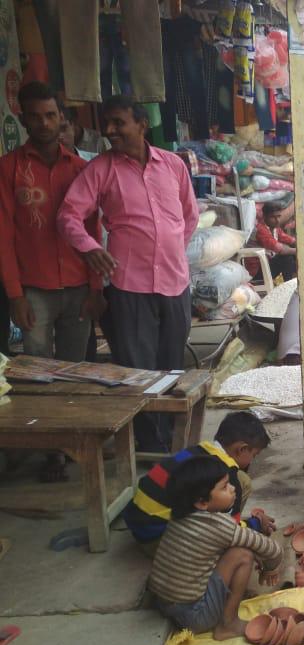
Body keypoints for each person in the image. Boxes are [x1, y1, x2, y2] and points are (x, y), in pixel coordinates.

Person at [57, 94, 199, 454]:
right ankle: (150, 445)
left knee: (169, 368)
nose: (109, 130)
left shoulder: (172, 165)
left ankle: (168, 440)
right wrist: (90, 248)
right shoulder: (101, 169)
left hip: (174, 283)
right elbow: (68, 216)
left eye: (118, 122)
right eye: (108, 123)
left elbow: (189, 216)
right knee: (138, 370)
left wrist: (169, 250)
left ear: (141, 124)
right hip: (129, 286)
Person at [0, 82, 105, 482]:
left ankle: (71, 443)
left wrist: (96, 289)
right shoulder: (8, 169)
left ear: (62, 117)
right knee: (38, 370)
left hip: (78, 285)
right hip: (35, 290)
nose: (44, 123)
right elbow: (4, 238)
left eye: (50, 115)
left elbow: (93, 232)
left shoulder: (81, 170)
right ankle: (48, 451)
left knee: (75, 369)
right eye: (35, 116)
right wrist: (15, 295)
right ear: (22, 118)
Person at [148, 455, 282, 640]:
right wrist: (270, 568)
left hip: (164, 603)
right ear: (202, 502)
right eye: (225, 487)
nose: (233, 488)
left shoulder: (179, 516)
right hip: (194, 615)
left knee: (235, 546)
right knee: (243, 554)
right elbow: (271, 548)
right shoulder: (217, 525)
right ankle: (228, 623)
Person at [122, 412, 274, 554]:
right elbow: (230, 532)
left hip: (140, 524)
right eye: (254, 455)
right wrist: (256, 524)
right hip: (160, 540)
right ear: (242, 449)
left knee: (243, 481)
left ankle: (229, 514)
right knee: (238, 552)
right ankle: (228, 517)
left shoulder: (198, 450)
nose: (252, 461)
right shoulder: (228, 475)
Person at [255, 201, 297, 281]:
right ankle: (288, 287)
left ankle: (294, 283)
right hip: (257, 270)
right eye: (273, 217)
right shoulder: (261, 230)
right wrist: (300, 251)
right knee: (286, 258)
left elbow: (291, 240)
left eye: (278, 216)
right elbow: (281, 250)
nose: (277, 220)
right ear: (264, 216)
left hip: (266, 265)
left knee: (294, 255)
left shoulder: (275, 228)